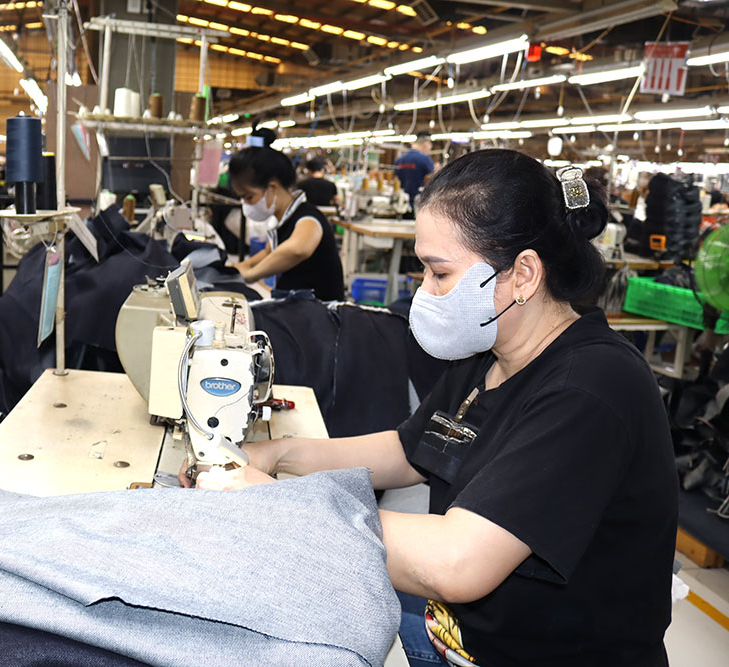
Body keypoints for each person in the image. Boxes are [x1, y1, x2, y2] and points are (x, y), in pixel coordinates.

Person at [183, 149, 679, 666]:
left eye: (439, 273)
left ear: (524, 275)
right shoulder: (490, 352)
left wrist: (277, 502)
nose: (425, 291)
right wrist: (278, 455)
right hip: (459, 635)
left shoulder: (592, 389)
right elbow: (409, 450)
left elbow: (454, 561)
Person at [229, 129, 344, 301]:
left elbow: (298, 250)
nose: (246, 204)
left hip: (320, 313)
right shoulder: (285, 221)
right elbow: (267, 254)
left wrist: (251, 275)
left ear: (272, 187)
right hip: (299, 308)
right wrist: (230, 271)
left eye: (249, 197)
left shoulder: (308, 218)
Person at [395, 132, 435, 212]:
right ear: (426, 144)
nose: (429, 150)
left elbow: (396, 179)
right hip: (418, 203)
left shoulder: (399, 159)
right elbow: (433, 178)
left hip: (401, 202)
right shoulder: (425, 159)